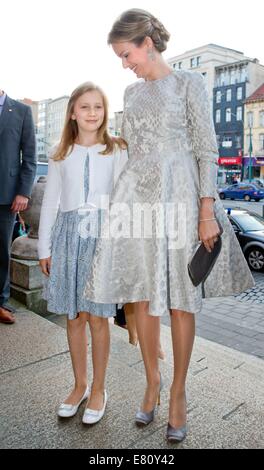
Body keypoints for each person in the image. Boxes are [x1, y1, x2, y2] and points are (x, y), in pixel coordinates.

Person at [84, 9, 254, 442]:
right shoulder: (132, 93)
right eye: (121, 58)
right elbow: (131, 151)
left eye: (127, 54)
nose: (125, 64)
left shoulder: (190, 84)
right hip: (138, 199)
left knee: (180, 300)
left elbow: (207, 150)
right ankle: (152, 381)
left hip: (180, 198)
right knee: (141, 297)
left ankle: (178, 392)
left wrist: (205, 211)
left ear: (147, 42)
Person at [38, 82, 128, 425]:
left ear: (105, 113)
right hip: (67, 238)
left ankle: (100, 389)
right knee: (73, 317)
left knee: (97, 318)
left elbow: (122, 201)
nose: (93, 113)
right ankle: (79, 385)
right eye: (85, 107)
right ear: (73, 113)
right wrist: (45, 247)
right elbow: (51, 203)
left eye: (99, 107)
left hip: (102, 238)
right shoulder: (61, 153)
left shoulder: (116, 150)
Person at [0, 89, 36, 325]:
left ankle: (0, 302)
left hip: (7, 193)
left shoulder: (21, 111)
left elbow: (30, 156)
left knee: (1, 250)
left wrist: (23, 191)